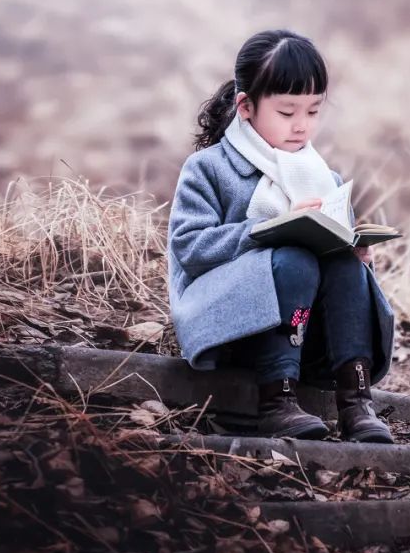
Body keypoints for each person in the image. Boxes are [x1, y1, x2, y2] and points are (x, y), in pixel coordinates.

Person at [166, 29, 394, 443]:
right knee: (293, 259)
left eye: (313, 112)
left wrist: (359, 255)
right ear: (246, 106)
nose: (301, 127)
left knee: (343, 263)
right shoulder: (209, 168)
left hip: (303, 332)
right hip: (234, 328)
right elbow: (190, 248)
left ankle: (356, 402)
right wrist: (268, 230)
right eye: (287, 112)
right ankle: (277, 401)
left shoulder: (325, 177)